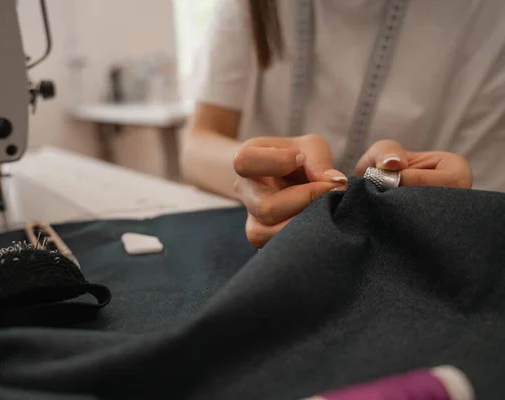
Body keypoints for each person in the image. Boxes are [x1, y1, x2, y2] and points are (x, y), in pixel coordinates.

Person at [180, 0, 505, 248]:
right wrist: (255, 177)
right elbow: (197, 144)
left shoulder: (489, 20)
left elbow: (484, 200)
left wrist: (460, 202)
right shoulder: (254, 7)